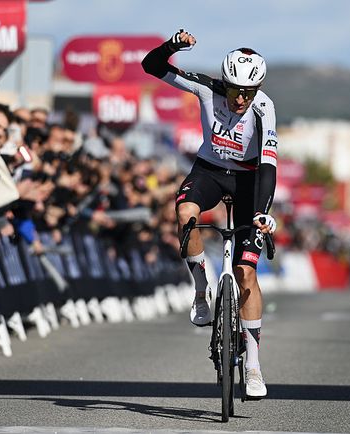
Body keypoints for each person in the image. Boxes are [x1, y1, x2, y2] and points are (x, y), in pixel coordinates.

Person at [142, 29, 279, 398]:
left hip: (250, 181)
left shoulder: (263, 108)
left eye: (248, 92)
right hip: (210, 172)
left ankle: (253, 366)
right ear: (225, 83)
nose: (241, 99)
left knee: (246, 272)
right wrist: (171, 47)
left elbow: (268, 166)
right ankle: (201, 289)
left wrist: (262, 213)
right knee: (185, 211)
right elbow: (151, 66)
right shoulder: (207, 89)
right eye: (235, 91)